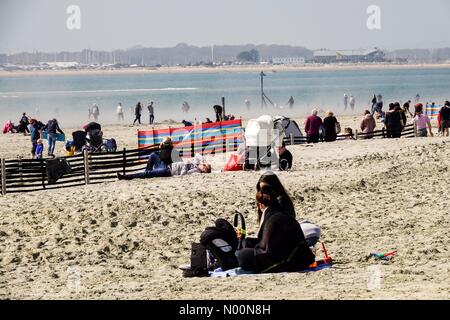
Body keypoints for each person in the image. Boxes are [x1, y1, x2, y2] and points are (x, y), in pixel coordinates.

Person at [236, 173, 315, 273]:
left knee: (243, 255)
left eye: (265, 189)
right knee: (246, 243)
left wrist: (265, 211)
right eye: (260, 189)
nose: (262, 193)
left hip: (282, 250)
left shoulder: (281, 206)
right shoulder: (270, 208)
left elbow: (270, 240)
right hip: (274, 245)